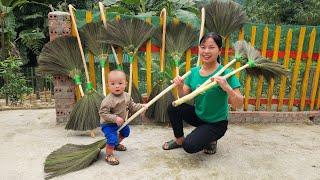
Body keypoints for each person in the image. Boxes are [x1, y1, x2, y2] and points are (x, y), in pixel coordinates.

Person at [162, 33, 244, 154]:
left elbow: (239, 104)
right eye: (203, 47)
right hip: (199, 116)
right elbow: (183, 97)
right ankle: (179, 140)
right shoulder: (194, 72)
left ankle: (211, 139)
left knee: (189, 146)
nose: (206, 51)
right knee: (174, 107)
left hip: (217, 123)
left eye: (211, 47)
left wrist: (227, 88)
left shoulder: (226, 73)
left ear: (219, 51)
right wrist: (179, 86)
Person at [99, 70, 145, 165]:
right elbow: (103, 113)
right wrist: (115, 118)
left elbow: (132, 106)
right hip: (108, 123)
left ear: (125, 84)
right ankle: (109, 155)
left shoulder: (127, 96)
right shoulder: (108, 100)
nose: (117, 86)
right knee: (112, 137)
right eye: (113, 84)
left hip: (120, 122)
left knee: (125, 132)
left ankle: (115, 144)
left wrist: (141, 106)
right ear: (108, 86)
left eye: (120, 83)